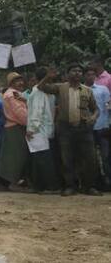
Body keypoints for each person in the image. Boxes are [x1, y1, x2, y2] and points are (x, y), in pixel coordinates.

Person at [39, 65, 101, 196]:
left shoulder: (87, 90)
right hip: (65, 128)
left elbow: (96, 109)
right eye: (74, 71)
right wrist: (48, 77)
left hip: (84, 128)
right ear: (68, 74)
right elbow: (41, 87)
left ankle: (89, 187)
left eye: (79, 71)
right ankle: (70, 186)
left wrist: (93, 117)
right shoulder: (61, 87)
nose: (77, 73)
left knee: (90, 158)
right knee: (67, 159)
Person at [26, 67, 60, 194]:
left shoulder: (38, 91)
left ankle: (51, 187)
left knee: (43, 159)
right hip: (46, 128)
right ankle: (39, 186)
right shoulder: (49, 91)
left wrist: (31, 128)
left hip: (39, 129)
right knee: (40, 158)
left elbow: (37, 110)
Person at [0, 72, 30, 191]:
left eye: (21, 80)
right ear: (12, 83)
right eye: (17, 81)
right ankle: (13, 183)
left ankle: (8, 183)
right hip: (16, 127)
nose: (21, 83)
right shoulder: (12, 94)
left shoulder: (12, 93)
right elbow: (19, 113)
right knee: (17, 156)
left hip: (13, 127)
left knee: (11, 156)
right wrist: (30, 123)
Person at [84, 67, 111, 189]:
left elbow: (109, 107)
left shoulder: (103, 89)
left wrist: (109, 123)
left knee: (106, 156)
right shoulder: (81, 90)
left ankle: (108, 181)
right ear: (84, 76)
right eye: (88, 74)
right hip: (87, 128)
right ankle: (95, 182)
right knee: (91, 157)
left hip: (103, 127)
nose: (91, 77)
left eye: (92, 74)